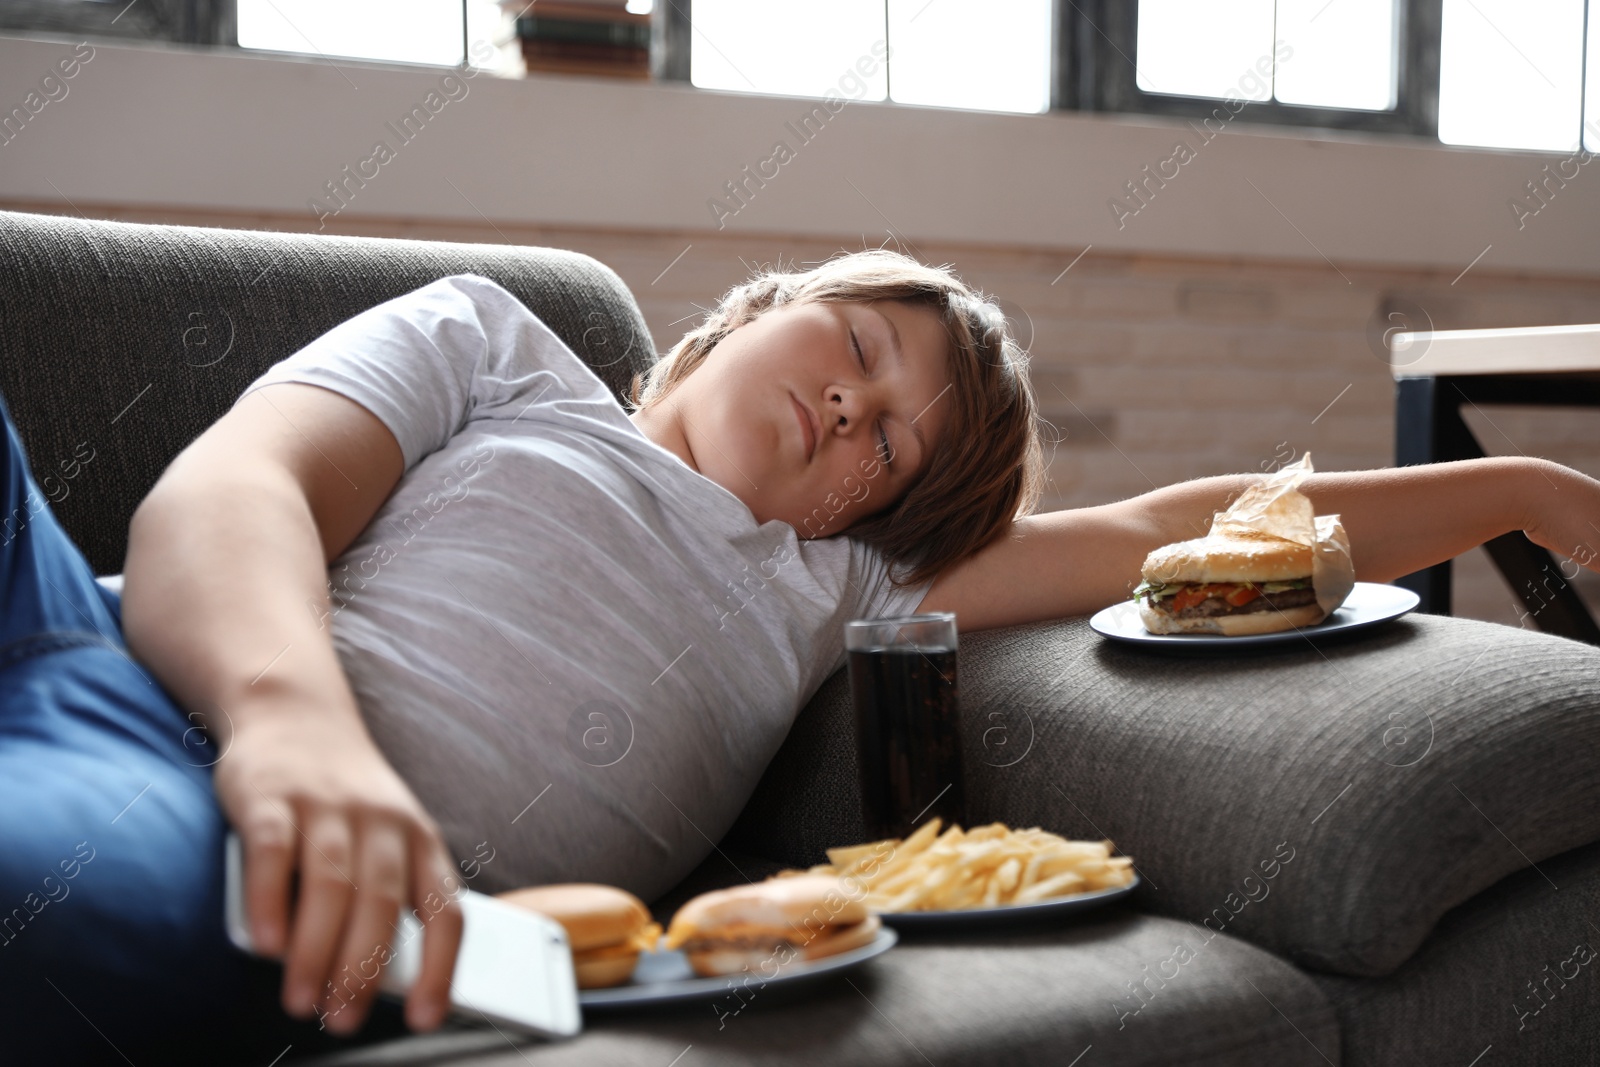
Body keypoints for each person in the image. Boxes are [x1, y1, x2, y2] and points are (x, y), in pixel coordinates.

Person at [1, 249, 1596, 1064]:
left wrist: (1529, 486)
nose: (856, 414)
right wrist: (297, 730)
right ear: (759, 308)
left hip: (205, 848)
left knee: (73, 918)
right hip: (125, 668)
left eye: (892, 449)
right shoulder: (496, 348)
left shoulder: (828, 585)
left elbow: (1183, 520)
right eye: (854, 349)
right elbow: (238, 483)